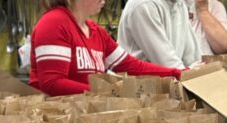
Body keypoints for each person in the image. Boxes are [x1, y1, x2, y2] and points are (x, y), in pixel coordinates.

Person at [30, 0, 183, 96]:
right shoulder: (54, 23)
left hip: (84, 117)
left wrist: (177, 74)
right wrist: (108, 92)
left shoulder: (96, 32)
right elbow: (52, 83)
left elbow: (132, 66)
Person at [118, 0, 201, 69]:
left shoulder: (179, 4)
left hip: (168, 81)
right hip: (138, 84)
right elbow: (165, 62)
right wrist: (189, 72)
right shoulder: (143, 4)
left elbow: (192, 56)